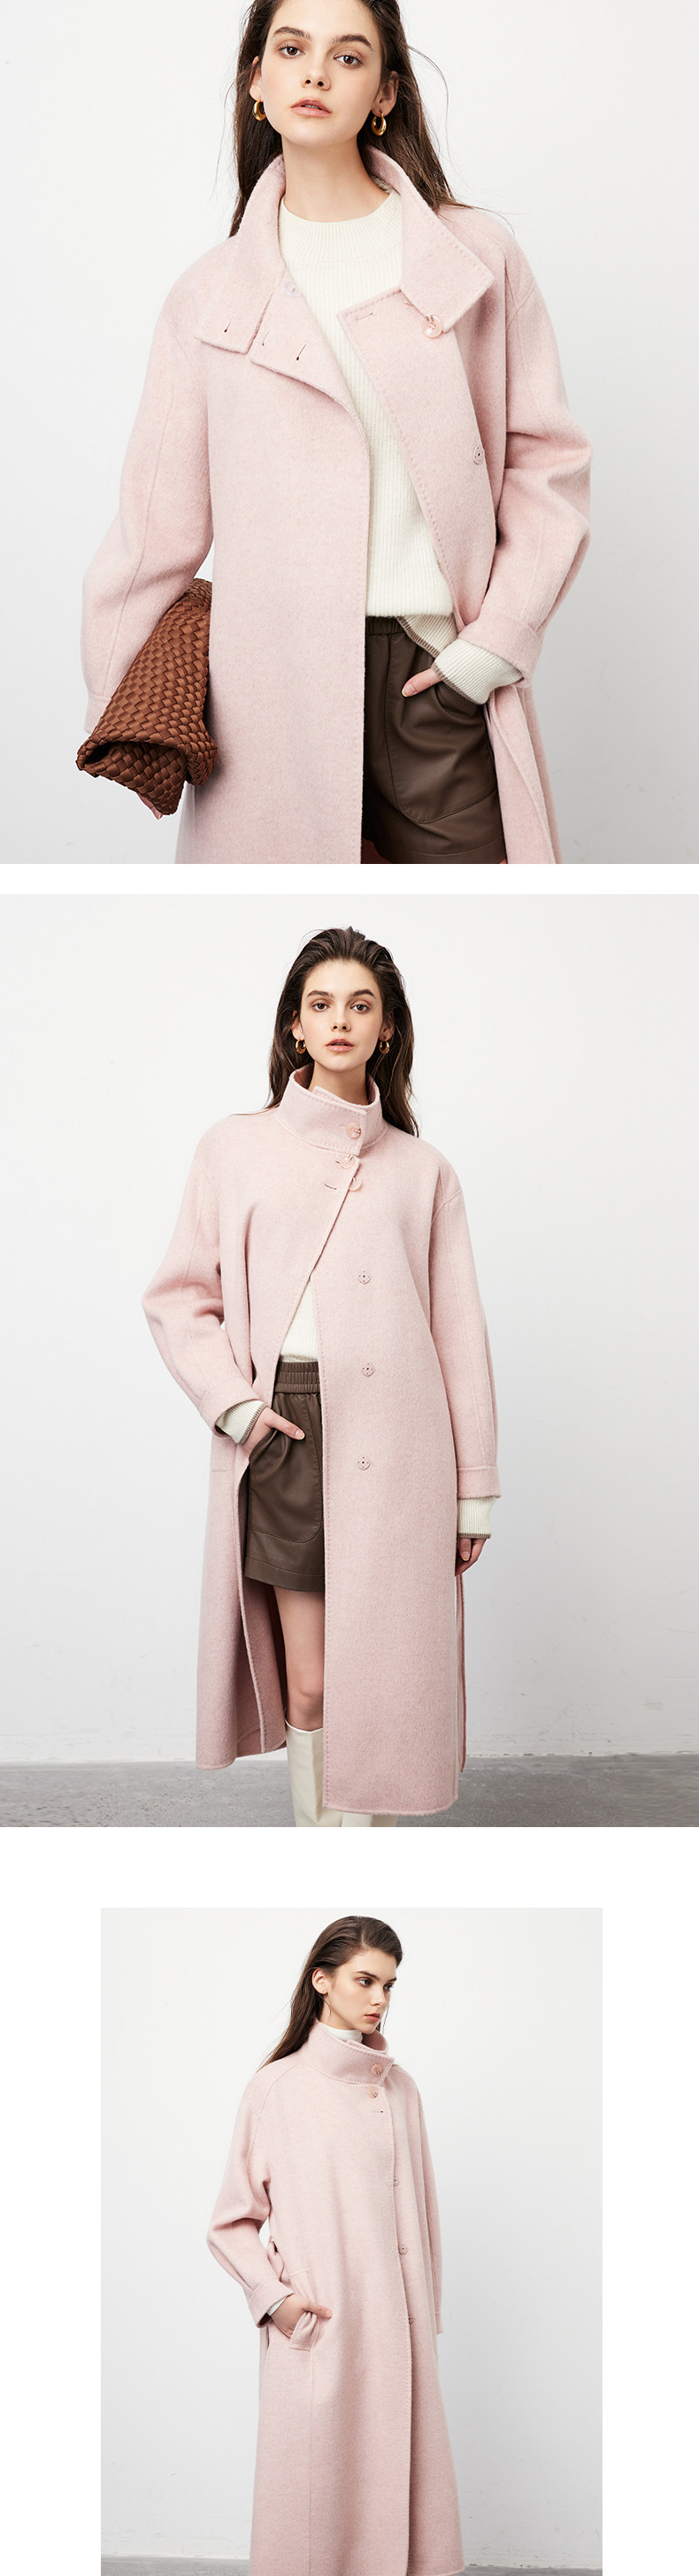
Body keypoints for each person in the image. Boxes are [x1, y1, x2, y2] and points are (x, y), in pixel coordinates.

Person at [81, 0, 591, 866]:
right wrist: (123, 702)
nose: (314, 73)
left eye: (348, 56)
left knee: (482, 927)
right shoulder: (206, 297)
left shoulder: (474, 257)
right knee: (282, 926)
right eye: (291, 49)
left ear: (384, 93)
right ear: (256, 82)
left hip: (433, 677)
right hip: (263, 700)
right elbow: (154, 529)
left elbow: (546, 463)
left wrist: (488, 652)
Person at [142, 926, 499, 1825]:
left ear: (388, 1028)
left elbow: (460, 1337)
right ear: (294, 1027)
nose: (340, 1019)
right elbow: (179, 1296)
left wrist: (473, 1491)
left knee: (381, 1685)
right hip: (288, 1428)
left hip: (402, 1443)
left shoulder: (424, 1171)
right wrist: (235, 1408)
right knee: (312, 1686)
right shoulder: (233, 1147)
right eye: (321, 1003)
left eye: (361, 1004)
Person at [208, 1914, 465, 2576]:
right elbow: (231, 2221)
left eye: (390, 1985)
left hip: (400, 2333)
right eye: (365, 1980)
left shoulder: (401, 2089)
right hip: (322, 2329)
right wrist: (278, 2300)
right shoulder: (278, 2087)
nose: (380, 1998)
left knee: (401, 2504)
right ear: (322, 1981)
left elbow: (424, 2216)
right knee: (315, 2512)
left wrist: (423, 2317)